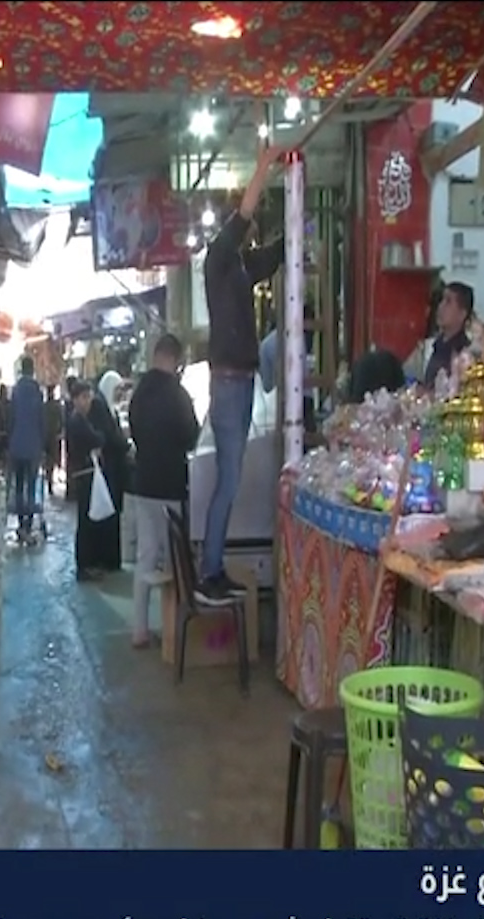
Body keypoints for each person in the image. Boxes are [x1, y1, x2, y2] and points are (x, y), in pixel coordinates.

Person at [199, 142, 285, 605]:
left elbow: (271, 256)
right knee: (229, 481)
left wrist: (300, 229)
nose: (249, 226)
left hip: (239, 379)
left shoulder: (237, 265)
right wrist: (264, 165)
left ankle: (212, 568)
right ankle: (209, 572)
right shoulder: (218, 257)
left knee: (228, 480)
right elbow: (246, 214)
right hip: (230, 381)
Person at [126, 333, 199, 649]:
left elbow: (133, 430)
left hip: (143, 483)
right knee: (174, 559)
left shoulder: (139, 392)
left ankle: (140, 630)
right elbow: (191, 436)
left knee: (145, 555)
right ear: (175, 359)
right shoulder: (178, 395)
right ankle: (174, 628)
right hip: (171, 484)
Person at [65, 381, 126, 580]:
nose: (87, 401)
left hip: (85, 472)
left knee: (86, 520)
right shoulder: (78, 421)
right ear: (75, 399)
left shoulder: (79, 419)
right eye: (83, 397)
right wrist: (98, 439)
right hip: (85, 473)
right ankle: (85, 566)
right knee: (85, 521)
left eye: (88, 397)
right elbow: (98, 438)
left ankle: (87, 564)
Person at [405, 281, 475, 389]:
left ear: (462, 314)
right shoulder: (427, 348)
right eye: (442, 300)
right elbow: (407, 377)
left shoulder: (467, 355)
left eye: (448, 302)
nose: (441, 306)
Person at [6, 355, 45, 542]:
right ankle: (28, 523)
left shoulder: (16, 390)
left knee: (19, 485)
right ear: (33, 369)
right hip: (34, 445)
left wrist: (9, 441)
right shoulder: (37, 390)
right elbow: (41, 418)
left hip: (17, 444)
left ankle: (21, 523)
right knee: (31, 486)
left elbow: (11, 417)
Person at [42, 384, 63, 497]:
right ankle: (50, 481)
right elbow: (62, 420)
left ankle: (49, 480)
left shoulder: (44, 406)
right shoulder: (56, 406)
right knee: (52, 460)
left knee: (48, 460)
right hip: (53, 436)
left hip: (48, 436)